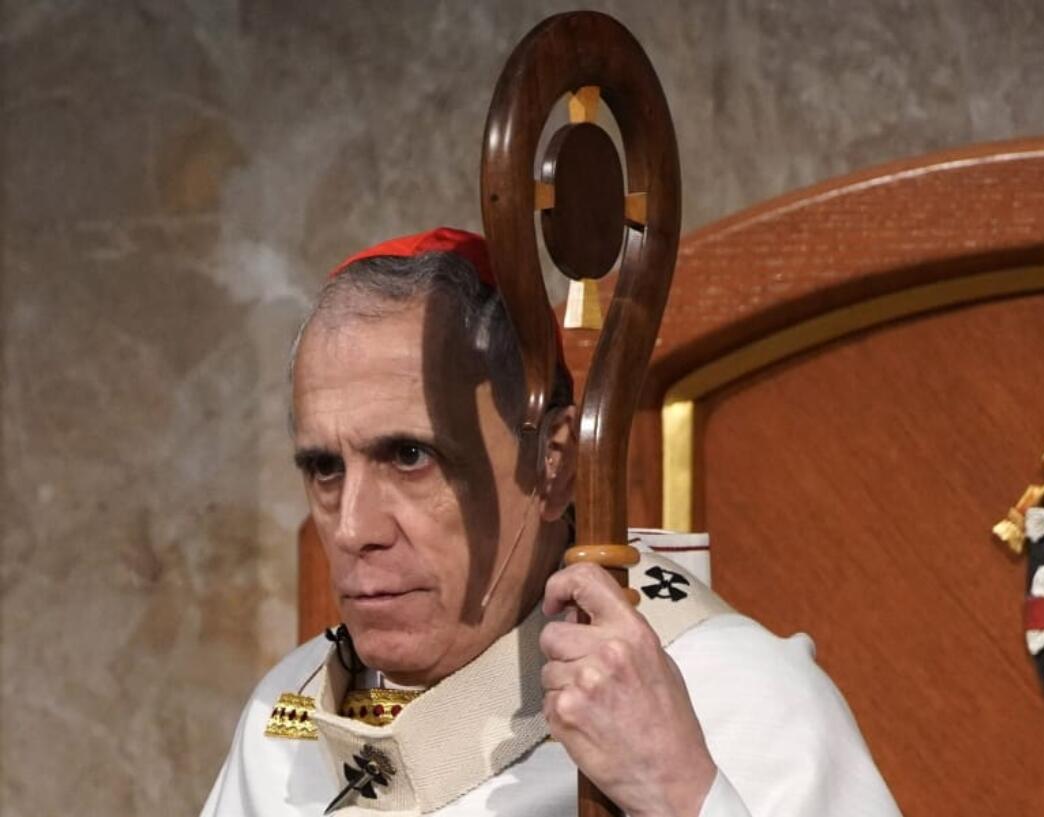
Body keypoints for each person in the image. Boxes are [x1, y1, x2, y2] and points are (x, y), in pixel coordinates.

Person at [202, 228, 900, 817]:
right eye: (325, 468)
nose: (354, 527)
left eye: (410, 456)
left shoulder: (732, 698)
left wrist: (684, 793)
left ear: (555, 463)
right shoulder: (283, 718)